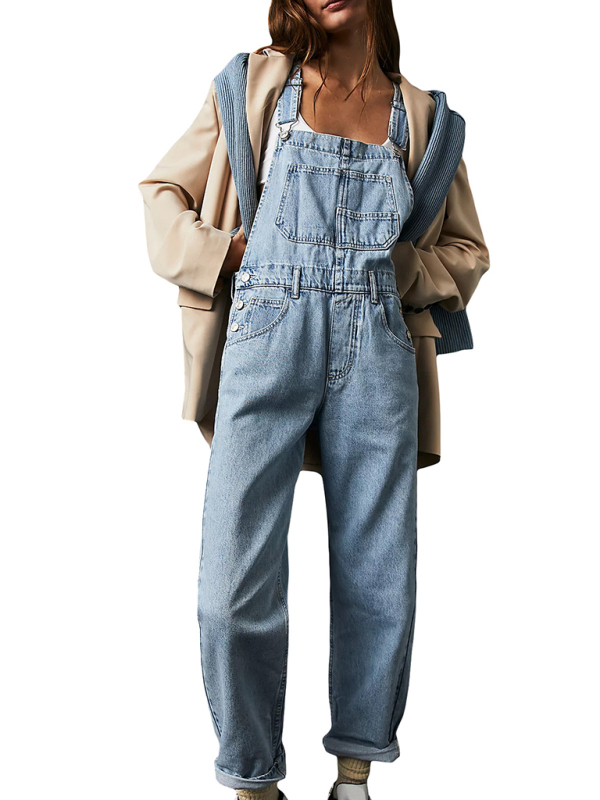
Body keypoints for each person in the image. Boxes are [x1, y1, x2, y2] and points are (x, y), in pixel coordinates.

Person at [138, 1, 490, 799]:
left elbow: (468, 250)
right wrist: (227, 252)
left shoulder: (425, 118)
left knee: (378, 573)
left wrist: (405, 271)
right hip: (266, 332)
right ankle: (254, 780)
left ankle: (355, 775)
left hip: (378, 346)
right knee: (231, 589)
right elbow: (162, 190)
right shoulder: (252, 87)